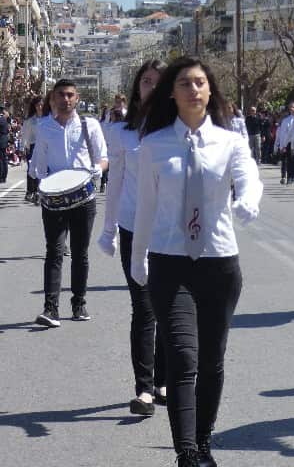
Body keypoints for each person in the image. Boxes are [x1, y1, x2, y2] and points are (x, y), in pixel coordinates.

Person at [131, 57, 262, 467]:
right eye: (185, 83)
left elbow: (250, 176)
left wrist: (247, 201)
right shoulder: (153, 146)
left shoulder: (230, 142)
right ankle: (186, 451)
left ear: (210, 91)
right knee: (183, 357)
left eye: (200, 82)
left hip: (219, 263)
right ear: (172, 92)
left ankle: (204, 441)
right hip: (170, 263)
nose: (193, 89)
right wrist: (138, 261)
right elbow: (144, 209)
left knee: (211, 360)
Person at [97, 59, 167, 417]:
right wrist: (108, 230)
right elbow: (116, 184)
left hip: (171, 234)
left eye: (158, 81)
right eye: (146, 82)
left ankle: (163, 379)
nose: (151, 87)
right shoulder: (124, 134)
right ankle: (144, 388)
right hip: (132, 228)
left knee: (169, 308)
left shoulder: (180, 130)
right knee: (143, 307)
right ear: (138, 89)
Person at [30, 79, 108, 327]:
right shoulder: (43, 127)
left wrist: (96, 170)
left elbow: (103, 157)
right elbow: (38, 163)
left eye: (70, 95)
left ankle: (79, 303)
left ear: (77, 98)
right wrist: (40, 181)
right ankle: (50, 308)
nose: (66, 99)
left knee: (80, 253)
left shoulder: (90, 125)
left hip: (83, 198)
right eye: (61, 95)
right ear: (53, 99)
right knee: (53, 252)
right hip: (53, 198)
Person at [21, 96, 44, 204]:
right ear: (34, 106)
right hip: (34, 147)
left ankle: (40, 192)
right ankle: (31, 191)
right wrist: (23, 148)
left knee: (43, 170)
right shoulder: (30, 120)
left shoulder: (48, 118)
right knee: (32, 169)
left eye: (41, 104)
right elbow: (25, 135)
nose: (40, 107)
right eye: (38, 105)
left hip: (46, 147)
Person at [275, 101, 294, 185]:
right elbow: (283, 134)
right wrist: (282, 145)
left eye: (293, 107)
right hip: (288, 143)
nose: (292, 109)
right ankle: (287, 177)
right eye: (290, 107)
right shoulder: (286, 120)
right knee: (288, 161)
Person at [0, 104, 8, 183]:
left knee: (2, 160)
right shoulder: (4, 118)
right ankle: (3, 176)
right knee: (3, 159)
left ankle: (2, 177)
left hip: (1, 141)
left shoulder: (1, 119)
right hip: (3, 141)